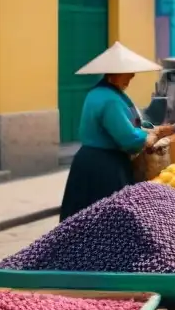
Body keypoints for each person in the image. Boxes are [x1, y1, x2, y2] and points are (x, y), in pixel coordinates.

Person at [60, 43, 162, 220]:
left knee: (82, 220)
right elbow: (129, 139)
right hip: (104, 167)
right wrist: (150, 136)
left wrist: (149, 127)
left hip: (87, 162)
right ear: (113, 74)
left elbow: (131, 119)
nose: (129, 80)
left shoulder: (99, 93)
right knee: (107, 221)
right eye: (126, 76)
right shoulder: (110, 100)